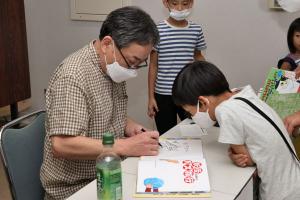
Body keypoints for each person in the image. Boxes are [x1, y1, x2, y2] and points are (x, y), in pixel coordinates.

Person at [40, 6, 160, 200]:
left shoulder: (111, 66)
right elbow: (61, 144)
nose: (134, 69)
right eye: (132, 61)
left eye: (140, 63)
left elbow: (105, 112)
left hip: (108, 174)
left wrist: (130, 127)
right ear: (107, 44)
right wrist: (124, 146)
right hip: (75, 189)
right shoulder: (72, 76)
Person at [172, 60, 300, 200]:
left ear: (202, 102)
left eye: (190, 112)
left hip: (280, 193)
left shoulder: (225, 111)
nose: (192, 117)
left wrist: (236, 155)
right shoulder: (244, 94)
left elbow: (247, 160)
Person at [147, 0, 206, 135]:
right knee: (166, 135)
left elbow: (198, 57)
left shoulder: (196, 29)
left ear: (191, 3)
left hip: (187, 91)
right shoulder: (157, 30)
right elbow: (153, 65)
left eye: (185, 4)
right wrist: (151, 97)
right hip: (163, 94)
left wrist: (207, 77)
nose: (179, 8)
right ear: (166, 3)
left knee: (194, 133)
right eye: (174, 3)